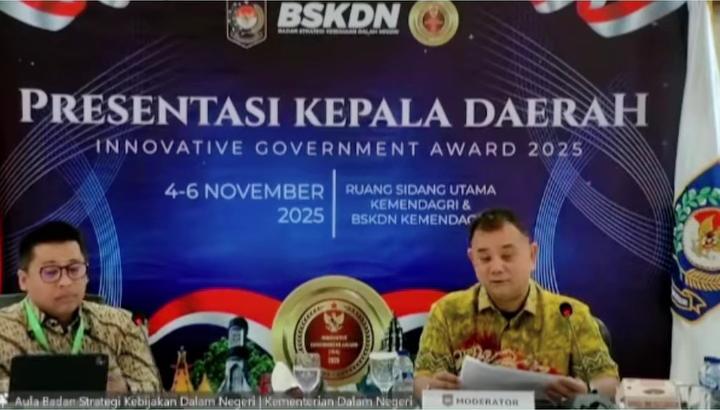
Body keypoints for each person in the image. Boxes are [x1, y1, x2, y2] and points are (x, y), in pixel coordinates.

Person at [414, 208, 619, 402]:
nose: (496, 268)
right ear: (473, 260)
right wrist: (431, 388)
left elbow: (608, 382)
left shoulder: (570, 314)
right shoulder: (448, 312)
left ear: (532, 255)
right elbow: (421, 381)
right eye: (485, 258)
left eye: (507, 256)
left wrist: (587, 393)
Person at [0, 221, 162, 392]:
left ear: (86, 275)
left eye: (74, 269)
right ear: (23, 280)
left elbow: (153, 390)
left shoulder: (121, 325)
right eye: (51, 272)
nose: (65, 282)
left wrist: (124, 389)